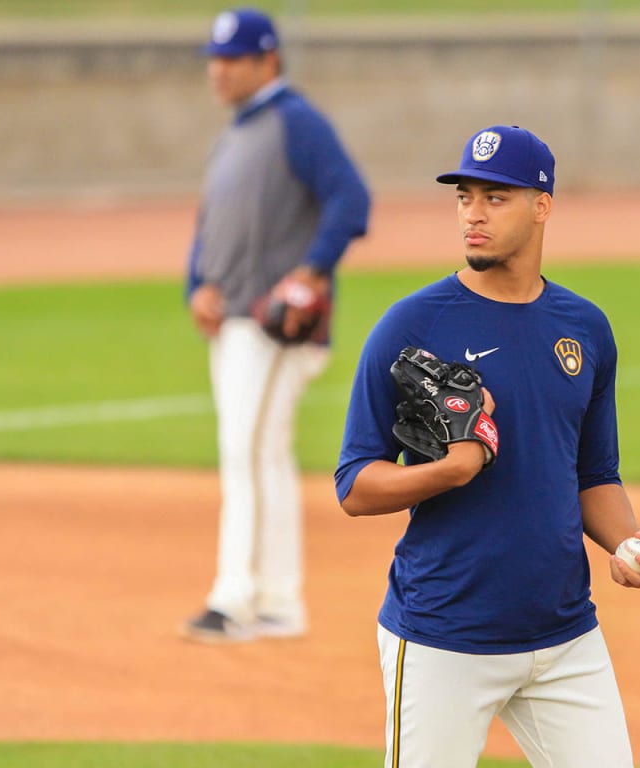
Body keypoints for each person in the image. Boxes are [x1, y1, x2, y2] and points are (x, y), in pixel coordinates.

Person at [334, 125, 640, 767]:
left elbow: (593, 472)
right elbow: (354, 485)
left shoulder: (584, 329)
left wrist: (626, 539)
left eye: (495, 197)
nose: (473, 213)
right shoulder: (413, 325)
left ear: (541, 205)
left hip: (564, 635)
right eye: (464, 196)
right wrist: (449, 472)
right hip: (444, 635)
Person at [182, 8, 370, 643]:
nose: (218, 69)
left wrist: (311, 272)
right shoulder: (235, 134)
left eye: (231, 58)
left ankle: (235, 599)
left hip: (273, 327)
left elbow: (351, 199)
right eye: (214, 57)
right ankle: (281, 602)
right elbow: (209, 225)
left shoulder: (298, 121)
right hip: (231, 323)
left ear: (269, 60)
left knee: (247, 453)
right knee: (262, 455)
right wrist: (196, 286)